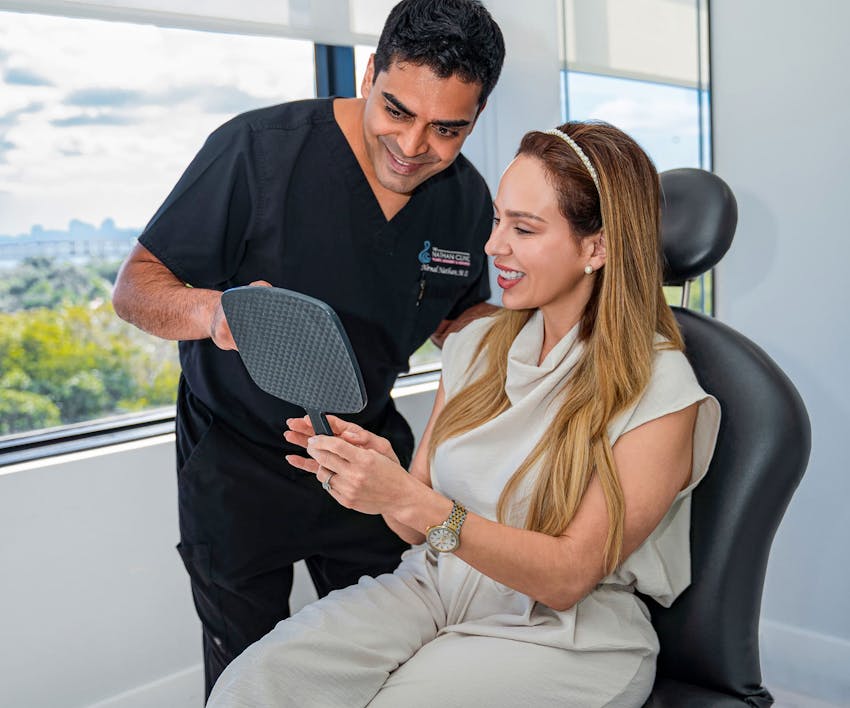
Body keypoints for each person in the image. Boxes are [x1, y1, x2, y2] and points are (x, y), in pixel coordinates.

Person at [206, 121, 722, 707]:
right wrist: (382, 484)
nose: (493, 247)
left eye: (523, 229)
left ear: (596, 247)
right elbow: (412, 522)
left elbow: (567, 577)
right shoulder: (475, 347)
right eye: (497, 220)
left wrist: (411, 499)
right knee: (253, 685)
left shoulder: (659, 391)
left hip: (564, 632)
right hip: (434, 586)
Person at [111, 0, 505, 696]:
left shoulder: (467, 201)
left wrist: (511, 339)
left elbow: (457, 317)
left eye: (448, 129)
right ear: (368, 72)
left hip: (365, 463)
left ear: (475, 118)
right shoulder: (256, 150)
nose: (414, 146)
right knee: (248, 674)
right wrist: (215, 311)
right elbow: (135, 288)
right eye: (397, 110)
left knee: (387, 659)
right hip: (237, 462)